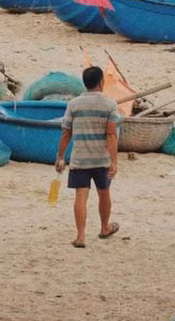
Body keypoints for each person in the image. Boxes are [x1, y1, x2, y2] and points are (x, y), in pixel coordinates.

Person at [54, 66, 121, 248]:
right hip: (102, 159)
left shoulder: (74, 104)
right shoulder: (110, 104)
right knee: (104, 193)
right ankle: (105, 227)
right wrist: (114, 161)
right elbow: (111, 135)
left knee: (80, 196)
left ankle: (81, 236)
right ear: (101, 82)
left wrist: (60, 156)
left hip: (80, 159)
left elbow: (66, 133)